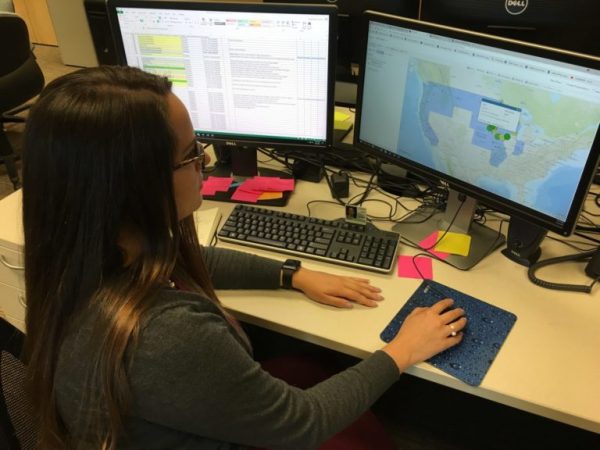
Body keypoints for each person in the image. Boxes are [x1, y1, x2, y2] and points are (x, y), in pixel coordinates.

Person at [21, 66, 466, 450]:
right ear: (133, 182)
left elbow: (188, 258)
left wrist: (293, 274)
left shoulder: (82, 256)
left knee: (304, 366)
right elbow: (304, 422)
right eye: (193, 153)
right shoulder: (166, 336)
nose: (207, 163)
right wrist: (402, 350)